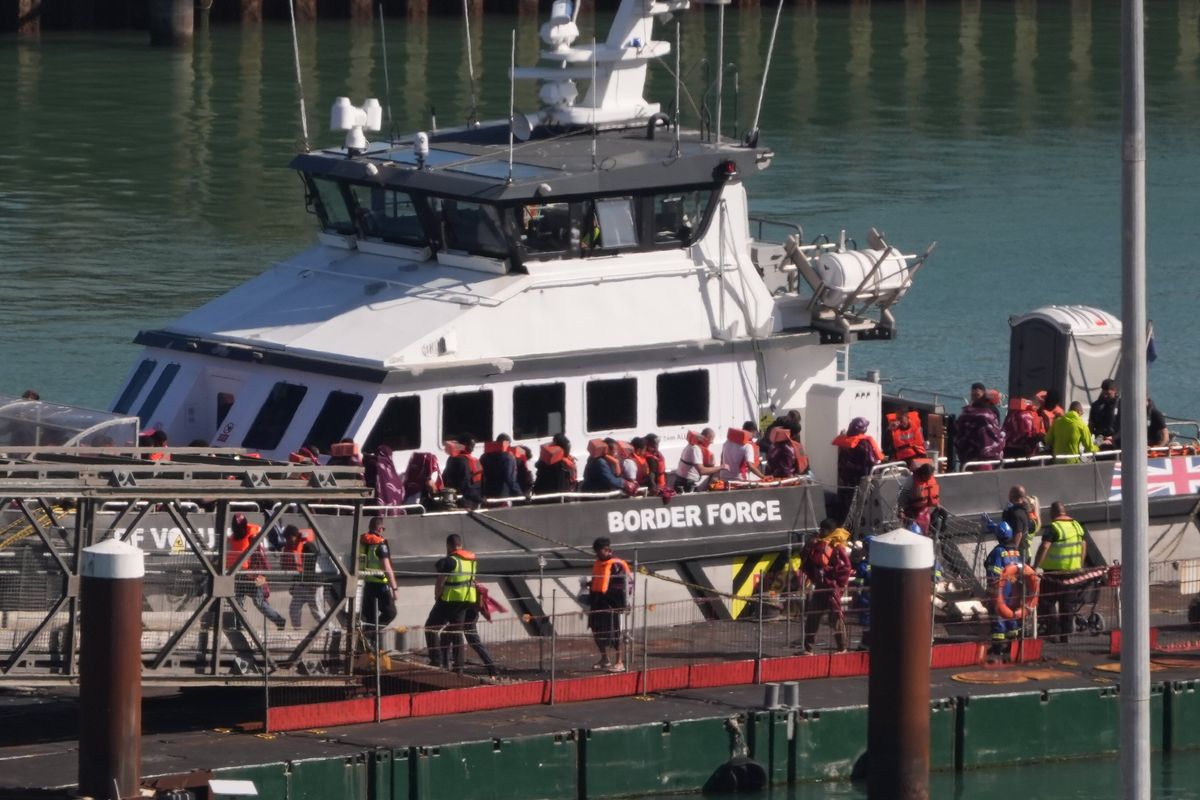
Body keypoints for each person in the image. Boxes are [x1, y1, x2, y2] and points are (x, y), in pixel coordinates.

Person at [425, 534, 482, 673]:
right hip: (465, 601)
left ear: (449, 546)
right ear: (460, 544)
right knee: (457, 632)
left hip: (449, 600)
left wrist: (437, 596)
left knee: (430, 627)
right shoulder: (471, 560)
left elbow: (440, 581)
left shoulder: (450, 561)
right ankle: (459, 667)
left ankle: (436, 660)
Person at [1034, 502, 1088, 643]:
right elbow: (1083, 545)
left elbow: (1045, 546)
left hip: (1053, 573)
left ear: (1053, 513)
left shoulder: (1054, 527)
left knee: (1048, 602)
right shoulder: (1076, 526)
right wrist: (1080, 565)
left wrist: (1035, 565)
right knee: (1067, 604)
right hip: (1072, 572)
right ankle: (1066, 634)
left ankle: (1053, 631)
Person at [800, 519, 854, 654]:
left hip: (831, 588)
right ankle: (808, 649)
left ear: (831, 531)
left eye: (823, 529)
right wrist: (807, 547)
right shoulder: (817, 545)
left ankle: (842, 648)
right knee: (813, 617)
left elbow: (846, 568)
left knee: (835, 618)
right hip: (820, 587)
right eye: (820, 529)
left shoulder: (837, 547)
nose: (820, 532)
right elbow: (807, 562)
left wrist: (837, 585)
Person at [226, 513, 286, 630]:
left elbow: (261, 557)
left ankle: (279, 620)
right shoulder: (232, 538)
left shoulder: (252, 537)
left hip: (253, 576)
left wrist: (263, 575)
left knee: (259, 602)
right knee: (238, 601)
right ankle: (239, 624)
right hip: (239, 575)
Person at [588, 537, 631, 672]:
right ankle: (604, 659)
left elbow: (621, 585)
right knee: (597, 630)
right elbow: (598, 581)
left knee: (615, 633)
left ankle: (619, 662)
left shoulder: (617, 565)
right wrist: (590, 585)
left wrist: (613, 599)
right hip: (597, 602)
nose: (598, 555)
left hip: (612, 603)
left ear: (606, 549)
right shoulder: (598, 563)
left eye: (599, 551)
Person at [983, 518, 1023, 657]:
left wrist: (989, 591)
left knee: (997, 614)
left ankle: (997, 647)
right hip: (1013, 587)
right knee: (1011, 614)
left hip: (1000, 588)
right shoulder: (1016, 552)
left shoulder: (998, 551)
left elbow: (993, 572)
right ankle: (1012, 645)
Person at [831, 417, 883, 516]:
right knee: (860, 506)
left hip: (846, 479)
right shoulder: (864, 444)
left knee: (848, 505)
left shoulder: (845, 442)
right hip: (860, 480)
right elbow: (871, 463)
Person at [282, 524, 327, 628]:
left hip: (313, 585)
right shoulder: (294, 548)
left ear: (294, 536)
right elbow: (298, 569)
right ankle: (297, 630)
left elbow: (314, 567)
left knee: (317, 612)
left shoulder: (309, 547)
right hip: (301, 584)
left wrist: (313, 584)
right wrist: (294, 584)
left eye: (288, 538)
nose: (287, 541)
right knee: (294, 609)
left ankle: (332, 631)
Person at [358, 516, 398, 630]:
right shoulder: (380, 544)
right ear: (380, 529)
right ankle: (371, 633)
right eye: (383, 529)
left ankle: (368, 642)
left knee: (369, 618)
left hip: (366, 583)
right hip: (380, 584)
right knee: (390, 613)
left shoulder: (361, 542)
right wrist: (394, 588)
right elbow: (386, 567)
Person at [955, 394, 1005, 470]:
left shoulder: (964, 414)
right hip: (983, 463)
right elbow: (991, 444)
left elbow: (958, 437)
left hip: (965, 459)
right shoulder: (986, 417)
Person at [673, 428, 725, 492]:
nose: (710, 443)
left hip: (680, 481)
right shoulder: (695, 449)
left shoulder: (690, 446)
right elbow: (702, 470)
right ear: (706, 439)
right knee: (716, 472)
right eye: (710, 441)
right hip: (687, 485)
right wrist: (720, 467)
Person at [442, 437, 484, 509]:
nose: (472, 449)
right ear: (464, 445)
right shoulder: (464, 461)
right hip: (467, 502)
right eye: (471, 446)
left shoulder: (451, 458)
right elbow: (465, 483)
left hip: (455, 499)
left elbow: (445, 478)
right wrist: (479, 498)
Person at [901, 462, 940, 533]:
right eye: (926, 477)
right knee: (915, 530)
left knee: (942, 515)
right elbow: (903, 495)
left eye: (929, 477)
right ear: (922, 474)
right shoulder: (911, 479)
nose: (927, 479)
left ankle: (933, 537)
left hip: (925, 510)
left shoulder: (930, 478)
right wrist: (901, 510)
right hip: (912, 509)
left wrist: (937, 504)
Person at [480, 433, 521, 500]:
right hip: (502, 494)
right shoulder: (508, 458)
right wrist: (519, 494)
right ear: (507, 444)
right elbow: (510, 479)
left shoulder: (484, 456)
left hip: (487, 492)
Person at [1002, 485, 1034, 563]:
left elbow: (1018, 533)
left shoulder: (1017, 513)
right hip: (1023, 549)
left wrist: (1013, 552)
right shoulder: (1024, 510)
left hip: (1019, 551)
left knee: (1018, 573)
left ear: (1012, 495)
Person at [1088, 379, 1120, 445]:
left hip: (1116, 439)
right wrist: (1088, 442)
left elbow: (1125, 426)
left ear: (1114, 391)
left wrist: (1113, 438)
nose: (1105, 396)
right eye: (1104, 393)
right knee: (1098, 449)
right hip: (1100, 438)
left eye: (1108, 394)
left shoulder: (1121, 405)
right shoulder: (1096, 405)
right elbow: (1091, 425)